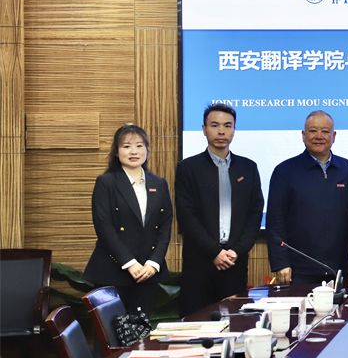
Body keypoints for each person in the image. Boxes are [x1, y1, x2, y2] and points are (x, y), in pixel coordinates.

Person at [175, 104, 264, 315]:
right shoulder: (188, 168)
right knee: (196, 322)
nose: (221, 131)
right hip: (199, 262)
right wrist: (214, 251)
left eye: (227, 125)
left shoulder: (248, 167)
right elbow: (187, 216)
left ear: (234, 129)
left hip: (235, 262)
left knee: (235, 322)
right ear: (204, 129)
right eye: (215, 125)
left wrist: (236, 251)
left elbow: (255, 213)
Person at [85, 124, 172, 316]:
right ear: (116, 152)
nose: (134, 151)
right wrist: (130, 263)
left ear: (147, 150)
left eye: (140, 146)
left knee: (141, 330)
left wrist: (154, 263)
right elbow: (104, 227)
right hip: (113, 272)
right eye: (126, 146)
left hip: (147, 272)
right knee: (111, 331)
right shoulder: (106, 182)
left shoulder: (159, 183)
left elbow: (165, 226)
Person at [267, 110, 348, 286]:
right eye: (313, 131)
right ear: (303, 135)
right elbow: (275, 221)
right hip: (297, 271)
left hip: (339, 268)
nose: (319, 136)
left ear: (334, 136)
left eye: (325, 131)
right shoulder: (284, 171)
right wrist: (281, 263)